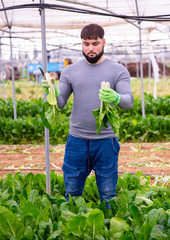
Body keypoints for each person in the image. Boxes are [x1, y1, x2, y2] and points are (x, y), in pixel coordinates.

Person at [42, 24, 133, 207]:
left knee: (108, 193)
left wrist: (115, 97)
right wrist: (51, 91)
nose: (90, 48)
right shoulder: (70, 71)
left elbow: (128, 101)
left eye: (95, 43)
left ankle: (109, 230)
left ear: (104, 42)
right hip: (77, 140)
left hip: (106, 141)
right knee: (72, 192)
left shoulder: (118, 70)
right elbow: (60, 103)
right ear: (81, 44)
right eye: (86, 44)